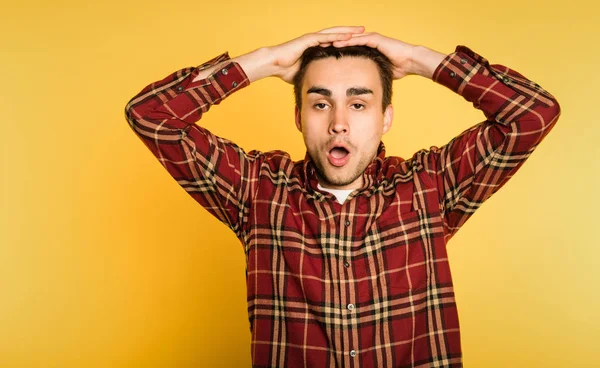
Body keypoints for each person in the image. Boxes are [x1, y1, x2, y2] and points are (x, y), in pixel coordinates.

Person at [124, 26, 561, 367]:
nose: (338, 123)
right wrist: (267, 61)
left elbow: (532, 114)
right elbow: (151, 116)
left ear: (385, 117)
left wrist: (417, 60)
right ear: (298, 116)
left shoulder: (428, 186)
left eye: (358, 104)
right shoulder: (258, 190)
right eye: (320, 103)